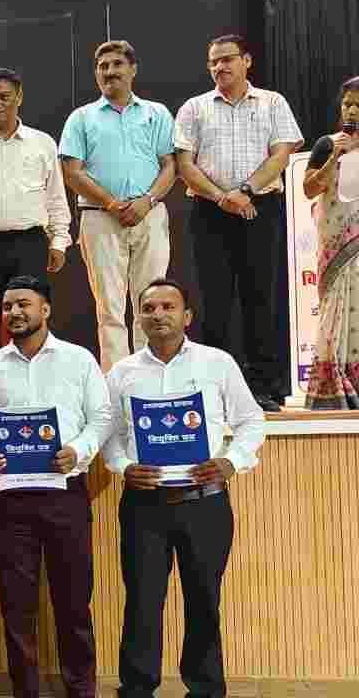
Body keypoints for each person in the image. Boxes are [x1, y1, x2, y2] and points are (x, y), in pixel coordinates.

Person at [104, 278, 265, 697]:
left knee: (204, 601)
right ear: (139, 318)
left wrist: (231, 461)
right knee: (142, 603)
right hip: (144, 505)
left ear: (187, 316)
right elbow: (110, 435)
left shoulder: (217, 363)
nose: (158, 314)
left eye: (168, 306)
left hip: (205, 504)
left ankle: (206, 688)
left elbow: (251, 421)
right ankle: (137, 688)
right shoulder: (121, 373)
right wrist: (123, 466)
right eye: (149, 308)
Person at [0, 275, 113, 698]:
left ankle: (81, 689)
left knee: (74, 602)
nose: (14, 312)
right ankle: (26, 691)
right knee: (16, 606)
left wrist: (78, 450)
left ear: (45, 309)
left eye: (23, 304)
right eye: (7, 306)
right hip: (9, 499)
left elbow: (102, 417)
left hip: (65, 493)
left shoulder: (79, 360)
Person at [175, 34, 303, 411]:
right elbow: (184, 163)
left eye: (227, 59)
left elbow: (281, 154)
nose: (220, 67)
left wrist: (245, 191)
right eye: (213, 62)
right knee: (214, 301)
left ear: (247, 61)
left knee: (260, 297)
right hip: (209, 211)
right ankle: (213, 391)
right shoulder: (195, 107)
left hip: (260, 207)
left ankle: (263, 387)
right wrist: (222, 197)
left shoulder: (272, 102)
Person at [60, 40, 177, 371]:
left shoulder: (156, 113)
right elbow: (72, 171)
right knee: (109, 307)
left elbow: (170, 165)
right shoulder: (81, 118)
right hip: (99, 218)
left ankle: (150, 377)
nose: (110, 72)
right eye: (103, 67)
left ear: (133, 69)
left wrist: (147, 201)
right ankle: (116, 383)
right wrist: (112, 204)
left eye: (117, 64)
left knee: (151, 300)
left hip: (149, 214)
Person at [0, 69, 72, 363]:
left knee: (31, 322)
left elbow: (55, 196)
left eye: (4, 97)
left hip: (29, 243)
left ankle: (37, 385)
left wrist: (59, 241)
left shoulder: (42, 143)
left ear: (19, 97)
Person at [303, 76, 359, 408]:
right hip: (336, 247)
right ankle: (333, 391)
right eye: (347, 104)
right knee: (334, 313)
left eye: (358, 105)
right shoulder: (327, 144)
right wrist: (333, 157)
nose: (351, 110)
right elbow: (310, 189)